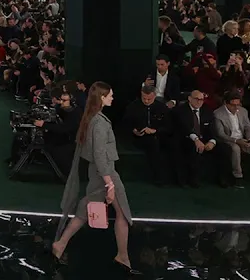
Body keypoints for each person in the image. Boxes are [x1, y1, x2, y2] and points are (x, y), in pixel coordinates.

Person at [52, 82, 137, 275]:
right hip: (106, 173)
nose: (113, 98)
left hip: (99, 172)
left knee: (84, 211)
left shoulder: (92, 118)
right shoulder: (99, 123)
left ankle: (61, 243)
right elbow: (99, 155)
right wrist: (109, 183)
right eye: (110, 95)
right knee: (123, 214)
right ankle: (123, 256)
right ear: (102, 97)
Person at [123, 84, 170, 185]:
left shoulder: (162, 107)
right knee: (153, 144)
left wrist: (155, 131)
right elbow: (126, 124)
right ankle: (159, 177)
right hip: (140, 137)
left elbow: (168, 126)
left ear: (155, 96)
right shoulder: (133, 107)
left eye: (149, 99)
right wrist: (134, 130)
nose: (146, 101)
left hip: (160, 135)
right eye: (144, 98)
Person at [170, 89, 217, 187]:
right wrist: (196, 139)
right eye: (196, 99)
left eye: (201, 99)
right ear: (189, 99)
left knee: (224, 149)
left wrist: (212, 141)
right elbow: (184, 127)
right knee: (191, 147)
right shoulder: (181, 110)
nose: (199, 102)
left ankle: (225, 180)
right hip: (185, 137)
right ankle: (189, 180)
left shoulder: (207, 111)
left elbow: (212, 129)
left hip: (203, 138)